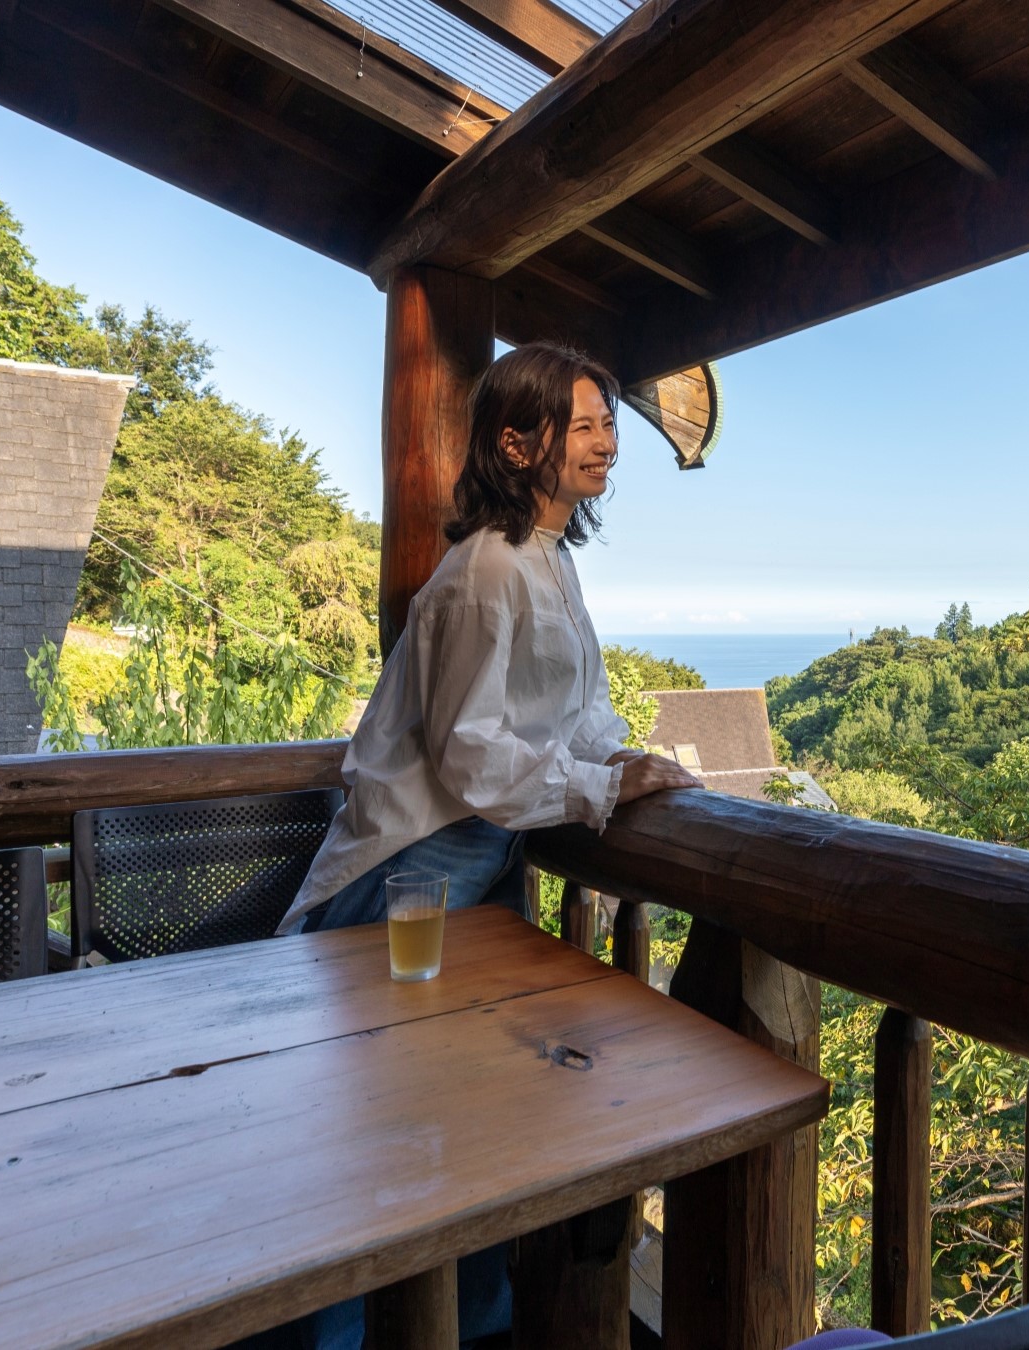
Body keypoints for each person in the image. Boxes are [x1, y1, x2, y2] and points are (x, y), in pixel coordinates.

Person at [252, 342, 699, 1350]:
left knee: (464, 1120)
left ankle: (461, 1326)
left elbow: (576, 708)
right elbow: (470, 757)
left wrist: (624, 764)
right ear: (517, 439)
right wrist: (594, 789)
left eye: (605, 422)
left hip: (476, 863)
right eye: (582, 424)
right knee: (393, 1130)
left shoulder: (549, 559)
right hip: (415, 873)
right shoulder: (485, 572)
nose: (605, 441)